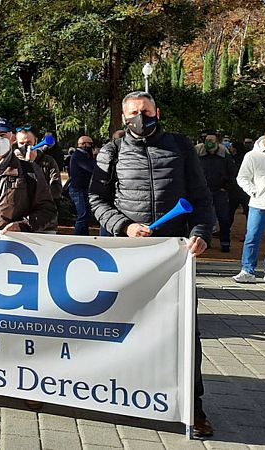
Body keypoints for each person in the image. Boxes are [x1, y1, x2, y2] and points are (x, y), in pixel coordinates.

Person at [88, 91, 214, 438]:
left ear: (157, 112)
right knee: (120, 327)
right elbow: (96, 199)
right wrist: (123, 226)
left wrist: (201, 233)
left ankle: (194, 408)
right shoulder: (111, 150)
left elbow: (201, 198)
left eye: (145, 111)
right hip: (128, 255)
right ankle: (118, 396)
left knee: (186, 332)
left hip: (173, 255)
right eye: (132, 113)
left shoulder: (180, 146)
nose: (139, 118)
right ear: (123, 117)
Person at [233, 128, 265, 284]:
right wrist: (254, 191)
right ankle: (247, 270)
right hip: (259, 204)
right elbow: (242, 178)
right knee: (252, 237)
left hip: (259, 202)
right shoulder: (253, 156)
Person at [196, 133, 237, 252]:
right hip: (204, 192)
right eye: (207, 140)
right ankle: (205, 241)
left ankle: (225, 242)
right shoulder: (199, 155)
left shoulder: (225, 157)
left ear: (217, 142)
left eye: (211, 140)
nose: (208, 142)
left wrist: (227, 187)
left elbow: (233, 174)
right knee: (204, 218)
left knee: (223, 218)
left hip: (220, 192)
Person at [15, 129, 62, 201]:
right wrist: (28, 163)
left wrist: (32, 164)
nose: (25, 146)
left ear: (35, 141)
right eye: (21, 143)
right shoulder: (13, 162)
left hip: (44, 206)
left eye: (29, 143)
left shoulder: (48, 161)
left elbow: (56, 190)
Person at [67, 136, 96, 235]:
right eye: (90, 144)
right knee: (82, 215)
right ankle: (77, 237)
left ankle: (84, 235)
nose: (92, 146)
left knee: (86, 215)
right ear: (83, 144)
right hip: (78, 189)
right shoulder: (78, 156)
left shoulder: (84, 155)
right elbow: (92, 168)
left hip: (83, 189)